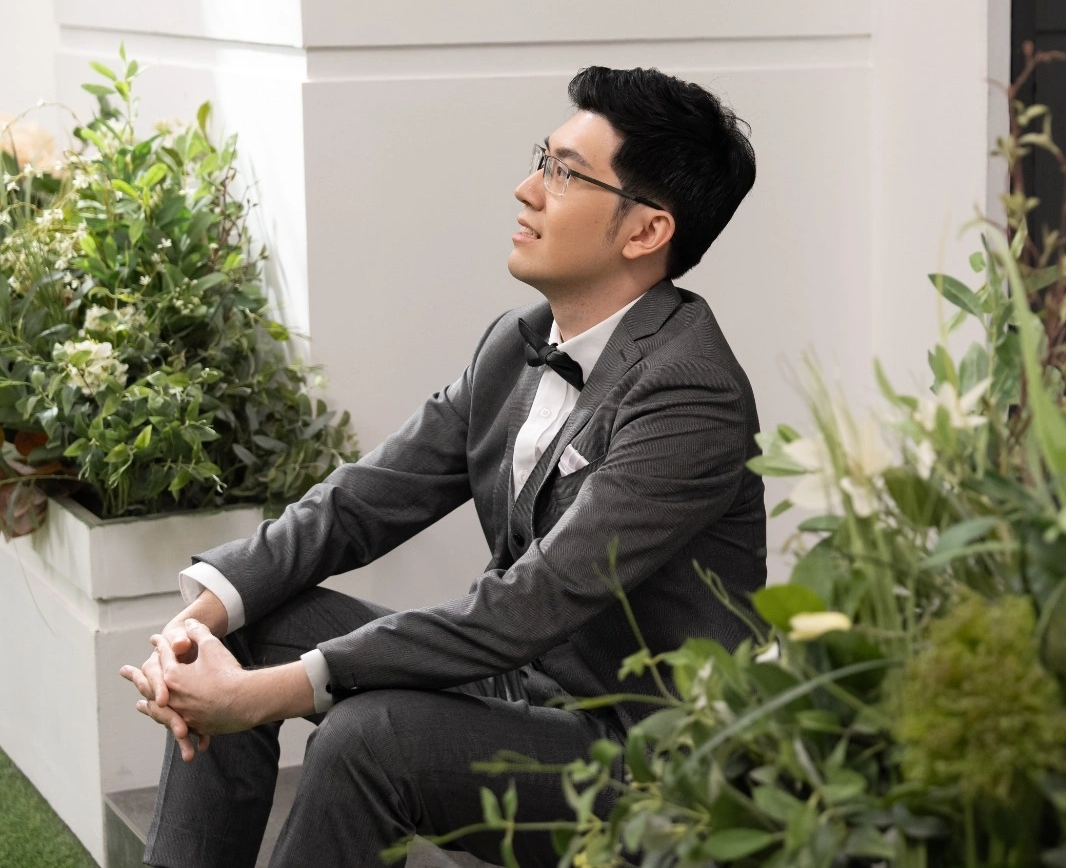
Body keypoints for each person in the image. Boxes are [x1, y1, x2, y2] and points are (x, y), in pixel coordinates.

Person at [120, 66, 767, 868]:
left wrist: (262, 697)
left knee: (368, 738)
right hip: (522, 689)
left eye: (566, 173)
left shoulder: (690, 393)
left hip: (645, 758)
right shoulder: (517, 343)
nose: (527, 189)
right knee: (244, 628)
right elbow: (358, 504)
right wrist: (198, 620)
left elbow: (529, 604)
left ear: (645, 232)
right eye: (543, 159)